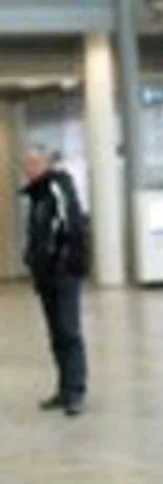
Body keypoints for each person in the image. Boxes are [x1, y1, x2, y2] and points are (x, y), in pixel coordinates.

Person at [20, 146, 89, 417]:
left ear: (46, 163)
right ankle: (63, 389)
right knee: (57, 334)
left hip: (63, 273)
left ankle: (75, 392)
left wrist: (61, 261)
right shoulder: (37, 195)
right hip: (45, 275)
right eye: (26, 164)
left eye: (34, 163)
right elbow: (38, 234)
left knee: (69, 331)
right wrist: (32, 259)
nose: (29, 169)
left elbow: (70, 226)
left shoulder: (57, 188)